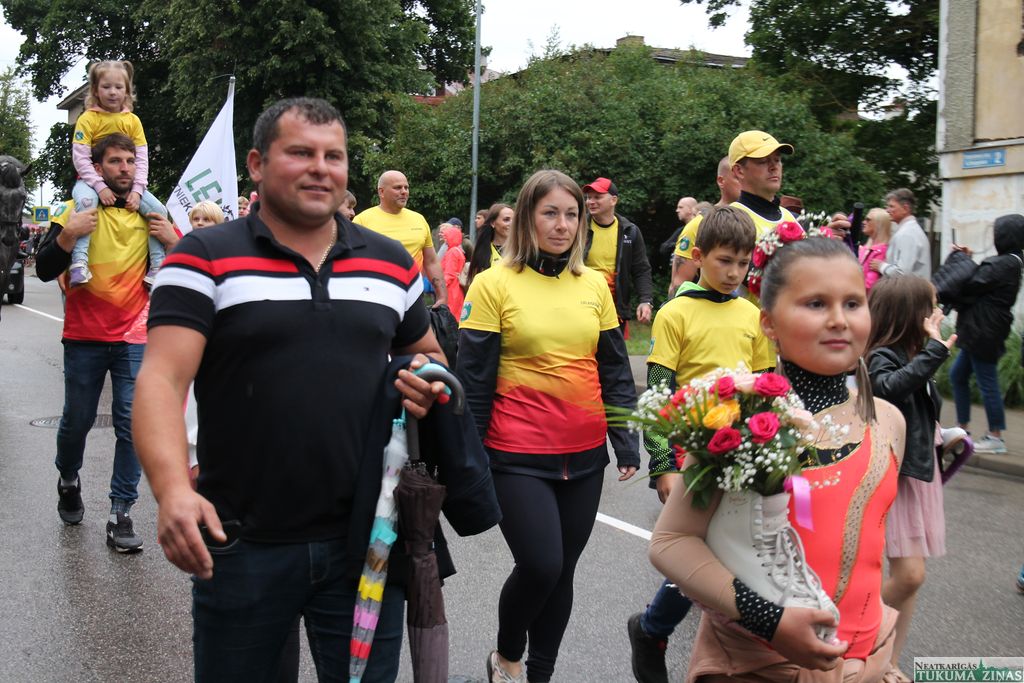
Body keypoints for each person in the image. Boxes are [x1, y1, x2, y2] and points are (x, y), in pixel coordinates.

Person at [132, 97, 453, 681]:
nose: (320, 168)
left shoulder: (390, 263)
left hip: (369, 540)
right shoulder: (202, 256)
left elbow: (427, 355)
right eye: (301, 153)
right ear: (256, 164)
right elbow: (160, 378)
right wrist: (172, 490)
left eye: (334, 156)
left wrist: (424, 382)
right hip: (241, 541)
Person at [650, 234, 907, 682]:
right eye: (816, 304)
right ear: (768, 323)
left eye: (853, 303)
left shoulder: (888, 421)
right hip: (760, 664)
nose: (838, 320)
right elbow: (671, 541)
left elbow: (878, 551)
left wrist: (884, 657)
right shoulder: (738, 416)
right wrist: (769, 620)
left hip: (867, 660)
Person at [458, 169, 639, 683]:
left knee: (562, 573)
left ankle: (539, 674)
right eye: (550, 213)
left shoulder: (595, 285)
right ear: (527, 218)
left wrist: (626, 440)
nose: (562, 225)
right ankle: (506, 656)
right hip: (515, 454)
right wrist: (468, 460)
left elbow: (614, 369)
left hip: (584, 456)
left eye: (572, 214)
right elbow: (473, 382)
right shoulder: (493, 283)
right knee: (541, 564)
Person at [628, 206, 773, 682]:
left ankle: (655, 629)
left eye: (742, 263)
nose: (734, 272)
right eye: (724, 260)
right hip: (691, 452)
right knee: (700, 552)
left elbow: (766, 388)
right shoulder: (676, 312)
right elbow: (658, 393)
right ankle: (656, 630)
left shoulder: (752, 315)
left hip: (743, 450)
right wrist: (662, 464)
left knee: (729, 553)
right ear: (699, 257)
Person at [35, 133, 180, 551]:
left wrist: (174, 242)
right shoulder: (74, 210)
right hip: (84, 337)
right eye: (115, 161)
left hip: (135, 338)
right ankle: (68, 477)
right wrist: (67, 236)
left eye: (130, 161)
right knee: (76, 421)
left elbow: (192, 269)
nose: (125, 169)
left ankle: (121, 512)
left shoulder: (151, 213)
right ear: (97, 168)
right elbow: (43, 269)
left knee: (133, 425)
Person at [866, 274, 955, 682]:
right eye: (932, 306)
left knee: (912, 580)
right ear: (911, 313)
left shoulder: (913, 353)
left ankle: (888, 662)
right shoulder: (882, 355)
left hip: (918, 474)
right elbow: (888, 389)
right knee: (909, 575)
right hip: (895, 477)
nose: (939, 313)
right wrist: (934, 352)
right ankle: (848, 633)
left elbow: (917, 411)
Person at [68, 60, 169, 287]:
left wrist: (138, 190)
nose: (112, 92)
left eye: (118, 87)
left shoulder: (132, 121)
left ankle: (157, 265)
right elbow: (80, 157)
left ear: (127, 91)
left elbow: (141, 158)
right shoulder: (88, 119)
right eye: (106, 87)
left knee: (158, 211)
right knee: (85, 204)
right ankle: (79, 262)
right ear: (95, 90)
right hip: (90, 181)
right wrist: (99, 186)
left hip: (128, 184)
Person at [948, 214, 1024, 453]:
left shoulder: (1004, 264)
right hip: (982, 329)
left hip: (983, 330)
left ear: (1006, 236)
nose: (994, 237)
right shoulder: (1011, 261)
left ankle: (995, 437)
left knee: (987, 382)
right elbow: (981, 279)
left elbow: (972, 283)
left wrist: (962, 260)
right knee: (958, 375)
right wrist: (968, 259)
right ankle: (962, 429)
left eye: (997, 233)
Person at [353, 169, 447, 306]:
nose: (404, 192)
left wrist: (442, 296)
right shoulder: (362, 220)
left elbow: (431, 262)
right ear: (381, 192)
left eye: (406, 187)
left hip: (413, 297)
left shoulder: (419, 219)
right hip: (376, 298)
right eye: (397, 188)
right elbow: (352, 262)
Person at [581, 177, 654, 330]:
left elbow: (641, 269)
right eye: (588, 197)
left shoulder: (630, 231)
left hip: (615, 308)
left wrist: (645, 300)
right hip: (582, 304)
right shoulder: (578, 228)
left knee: (614, 347)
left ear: (613, 200)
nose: (590, 202)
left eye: (597, 197)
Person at [670, 156, 742, 294]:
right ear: (721, 181)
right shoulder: (699, 224)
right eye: (737, 177)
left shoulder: (775, 220)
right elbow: (678, 283)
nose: (745, 182)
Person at [875, 188, 931, 280]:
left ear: (905, 208)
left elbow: (902, 272)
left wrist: (881, 266)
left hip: (910, 288)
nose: (887, 210)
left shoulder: (908, 233)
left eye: (891, 206)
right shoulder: (909, 230)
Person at [467, 202, 514, 284]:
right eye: (506, 220)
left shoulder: (523, 250)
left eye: (515, 220)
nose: (512, 223)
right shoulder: (482, 253)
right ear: (493, 223)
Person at [860, 208, 893, 292]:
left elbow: (869, 285)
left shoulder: (881, 251)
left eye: (868, 220)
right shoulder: (867, 247)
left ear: (878, 224)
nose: (864, 222)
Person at [658, 196, 698, 262]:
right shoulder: (681, 230)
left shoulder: (702, 228)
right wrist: (680, 243)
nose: (677, 210)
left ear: (691, 209)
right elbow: (663, 248)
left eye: (681, 207)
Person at [440, 222, 467, 316]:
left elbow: (449, 273)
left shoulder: (452, 252)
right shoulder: (458, 250)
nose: (445, 239)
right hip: (457, 288)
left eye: (447, 236)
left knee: (449, 317)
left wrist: (441, 288)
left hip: (451, 290)